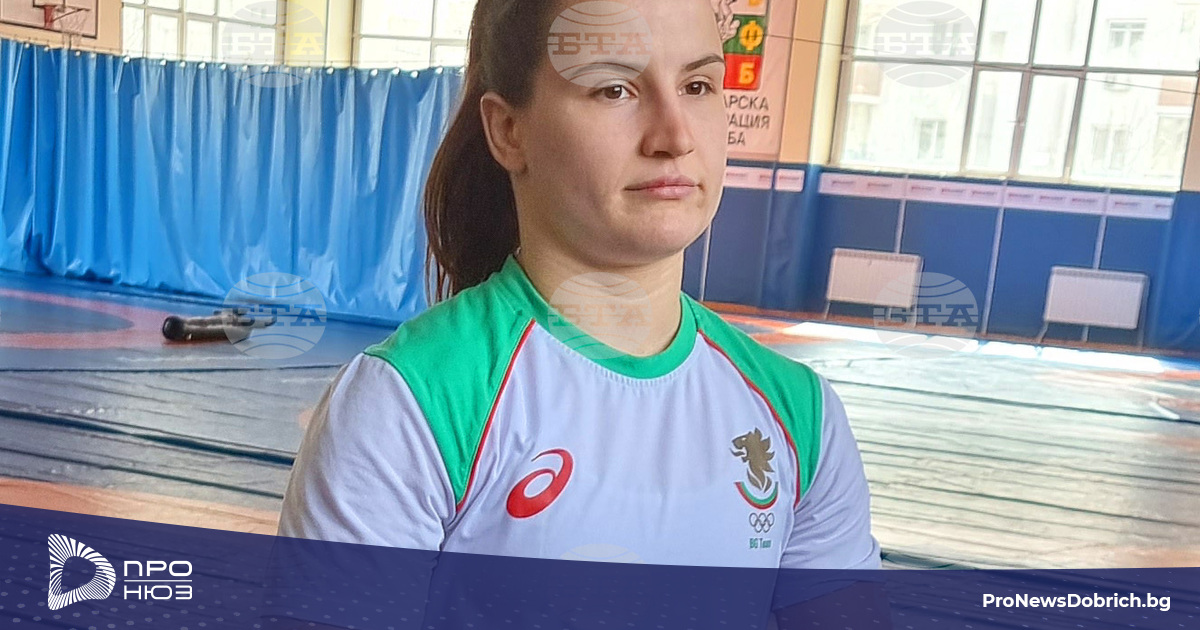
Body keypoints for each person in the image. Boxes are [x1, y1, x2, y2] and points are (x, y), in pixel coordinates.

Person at [277, 0, 881, 622]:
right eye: (614, 89)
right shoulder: (412, 403)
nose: (675, 137)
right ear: (508, 131)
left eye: (698, 85)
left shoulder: (800, 415)